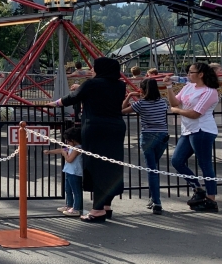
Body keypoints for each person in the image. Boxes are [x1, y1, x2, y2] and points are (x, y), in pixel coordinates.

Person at [47, 57, 126, 223]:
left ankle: (97, 210)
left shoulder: (91, 84)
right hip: (116, 128)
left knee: (95, 166)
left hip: (95, 127)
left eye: (94, 67)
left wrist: (55, 103)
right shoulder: (120, 85)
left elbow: (72, 98)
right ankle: (106, 205)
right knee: (111, 165)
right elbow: (100, 95)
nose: (92, 70)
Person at [166, 62, 220, 212]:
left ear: (201, 74)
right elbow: (175, 102)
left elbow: (196, 113)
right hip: (188, 130)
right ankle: (198, 189)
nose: (188, 75)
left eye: (191, 72)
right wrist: (169, 87)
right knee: (177, 160)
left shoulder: (209, 91)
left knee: (204, 163)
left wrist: (177, 110)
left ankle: (211, 199)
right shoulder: (188, 86)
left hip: (202, 130)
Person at [122, 78, 169, 215]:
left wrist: (129, 96)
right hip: (163, 135)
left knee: (151, 169)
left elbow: (122, 110)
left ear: (142, 90)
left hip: (148, 135)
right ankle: (154, 198)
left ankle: (157, 201)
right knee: (154, 167)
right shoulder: (163, 102)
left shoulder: (141, 104)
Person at [44, 127, 83, 217]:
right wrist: (50, 151)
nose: (67, 142)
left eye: (68, 141)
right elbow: (61, 150)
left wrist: (64, 154)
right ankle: (69, 205)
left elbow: (69, 159)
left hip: (74, 173)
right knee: (68, 190)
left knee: (76, 191)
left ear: (74, 140)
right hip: (68, 171)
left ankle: (76, 209)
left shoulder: (77, 149)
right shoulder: (71, 147)